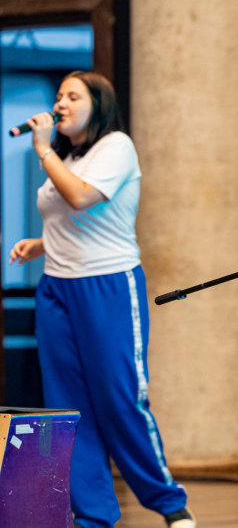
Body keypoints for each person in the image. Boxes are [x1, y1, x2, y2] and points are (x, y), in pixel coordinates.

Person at [8, 72, 195, 528]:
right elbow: (70, 222)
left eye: (73, 96)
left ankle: (171, 505)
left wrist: (43, 148)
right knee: (68, 407)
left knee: (120, 398)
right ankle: (92, 516)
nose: (61, 103)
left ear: (99, 104)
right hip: (57, 289)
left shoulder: (116, 147)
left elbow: (80, 198)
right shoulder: (68, 155)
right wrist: (41, 242)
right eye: (59, 96)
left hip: (108, 285)